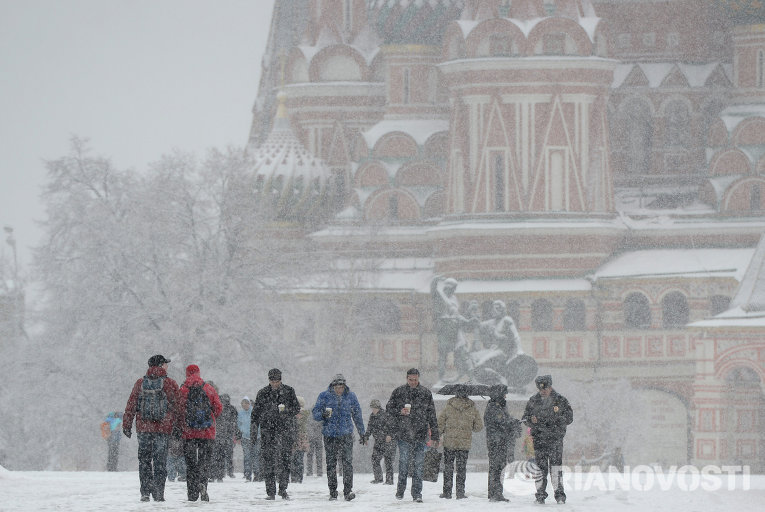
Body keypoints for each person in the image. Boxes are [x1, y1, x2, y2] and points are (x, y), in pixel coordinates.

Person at [123, 354, 180, 502]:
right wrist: (179, 427)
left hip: (144, 428)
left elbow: (131, 405)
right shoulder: (170, 383)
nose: (167, 366)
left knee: (144, 461)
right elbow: (178, 407)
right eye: (165, 364)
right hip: (163, 428)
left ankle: (145, 492)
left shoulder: (140, 383)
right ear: (161, 365)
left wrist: (127, 425)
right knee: (160, 461)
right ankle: (159, 492)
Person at [386, 368, 440, 503]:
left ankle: (417, 493)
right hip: (404, 434)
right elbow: (388, 408)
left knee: (419, 465)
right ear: (406, 378)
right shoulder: (399, 392)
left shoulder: (425, 393)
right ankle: (400, 489)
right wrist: (400, 411)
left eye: (415, 380)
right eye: (411, 380)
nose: (413, 382)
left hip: (420, 434)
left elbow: (432, 415)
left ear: (418, 378)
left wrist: (435, 436)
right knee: (403, 464)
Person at [312, 374, 365, 501]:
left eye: (341, 387)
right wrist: (323, 414)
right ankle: (333, 491)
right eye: (337, 387)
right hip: (330, 435)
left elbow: (357, 415)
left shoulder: (351, 396)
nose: (339, 389)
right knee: (331, 464)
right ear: (333, 386)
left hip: (346, 434)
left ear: (344, 386)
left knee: (347, 463)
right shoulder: (324, 396)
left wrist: (362, 433)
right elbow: (315, 413)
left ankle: (348, 491)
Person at [522, 375, 573, 505]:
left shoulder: (560, 400)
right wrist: (531, 421)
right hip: (539, 440)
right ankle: (540, 495)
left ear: (550, 387)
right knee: (540, 470)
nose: (543, 391)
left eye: (545, 388)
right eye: (540, 389)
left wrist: (556, 422)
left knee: (556, 469)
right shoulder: (533, 400)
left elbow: (569, 417)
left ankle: (560, 495)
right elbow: (525, 418)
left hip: (555, 440)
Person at [251, 368, 300, 500]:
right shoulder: (262, 393)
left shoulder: (289, 391)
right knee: (268, 461)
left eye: (277, 381)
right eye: (272, 381)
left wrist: (286, 412)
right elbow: (255, 414)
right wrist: (254, 431)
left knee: (285, 460)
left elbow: (296, 408)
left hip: (285, 430)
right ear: (269, 380)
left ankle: (283, 488)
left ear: (280, 380)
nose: (275, 384)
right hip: (268, 431)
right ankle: (271, 491)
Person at [178, 364, 223, 502]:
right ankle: (203, 483)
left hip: (188, 433)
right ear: (198, 373)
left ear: (187, 374)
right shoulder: (208, 388)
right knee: (204, 462)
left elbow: (178, 410)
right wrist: (210, 418)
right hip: (207, 433)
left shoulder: (183, 389)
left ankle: (192, 493)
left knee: (191, 464)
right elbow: (218, 408)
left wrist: (183, 424)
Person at [438, 388, 483, 499]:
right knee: (461, 468)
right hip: (464, 443)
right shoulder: (472, 409)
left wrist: (440, 433)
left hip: (449, 443)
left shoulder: (448, 407)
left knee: (448, 467)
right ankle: (460, 492)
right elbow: (478, 427)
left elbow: (440, 424)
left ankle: (447, 492)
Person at [484, 384, 522, 502]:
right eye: (504, 393)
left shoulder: (499, 406)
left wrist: (513, 422)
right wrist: (513, 422)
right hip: (497, 442)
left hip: (500, 441)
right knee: (497, 468)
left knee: (498, 467)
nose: (506, 396)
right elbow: (502, 421)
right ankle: (496, 493)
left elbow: (505, 420)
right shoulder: (494, 407)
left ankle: (494, 492)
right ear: (499, 394)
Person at [362, 399, 395, 485]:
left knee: (388, 460)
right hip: (378, 441)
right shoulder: (372, 416)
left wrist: (389, 435)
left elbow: (392, 426)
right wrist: (366, 437)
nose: (373, 410)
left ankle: (389, 480)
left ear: (378, 407)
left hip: (387, 441)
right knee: (375, 459)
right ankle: (378, 478)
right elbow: (369, 428)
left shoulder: (386, 415)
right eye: (372, 408)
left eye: (374, 408)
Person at [212, 393, 238, 481]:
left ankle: (220, 474)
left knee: (220, 456)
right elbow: (235, 422)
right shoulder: (231, 409)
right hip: (224, 435)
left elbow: (235, 421)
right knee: (223, 455)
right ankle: (221, 474)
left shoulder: (219, 408)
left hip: (222, 435)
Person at [291, 396, 309, 483]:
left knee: (295, 458)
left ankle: (296, 477)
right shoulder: (305, 413)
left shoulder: (302, 413)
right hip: (300, 437)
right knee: (298, 459)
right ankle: (297, 477)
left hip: (297, 437)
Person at [237, 396, 255, 481]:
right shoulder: (240, 414)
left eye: (246, 404)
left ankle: (257, 474)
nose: (245, 406)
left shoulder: (254, 412)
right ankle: (248, 475)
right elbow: (238, 424)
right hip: (245, 437)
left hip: (256, 437)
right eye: (243, 404)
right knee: (247, 457)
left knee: (256, 456)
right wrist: (241, 432)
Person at [305, 407, 324, 478]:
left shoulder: (310, 415)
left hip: (312, 438)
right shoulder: (321, 415)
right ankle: (319, 472)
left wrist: (310, 434)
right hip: (318, 437)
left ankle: (310, 471)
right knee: (318, 455)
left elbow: (308, 426)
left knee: (310, 455)